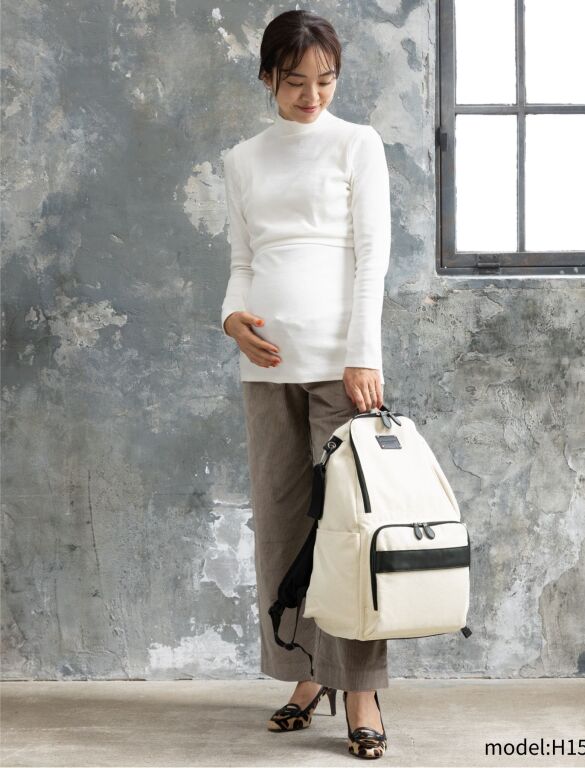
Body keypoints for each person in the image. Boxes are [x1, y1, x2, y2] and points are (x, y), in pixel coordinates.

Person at [220, 9, 391, 760]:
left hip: (341, 365)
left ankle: (360, 689)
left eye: (325, 81)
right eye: (295, 82)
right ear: (268, 78)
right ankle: (305, 673)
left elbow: (372, 256)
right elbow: (242, 261)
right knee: (284, 529)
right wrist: (231, 320)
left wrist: (363, 355)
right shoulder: (243, 159)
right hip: (267, 369)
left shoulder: (358, 144)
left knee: (351, 532)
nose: (312, 95)